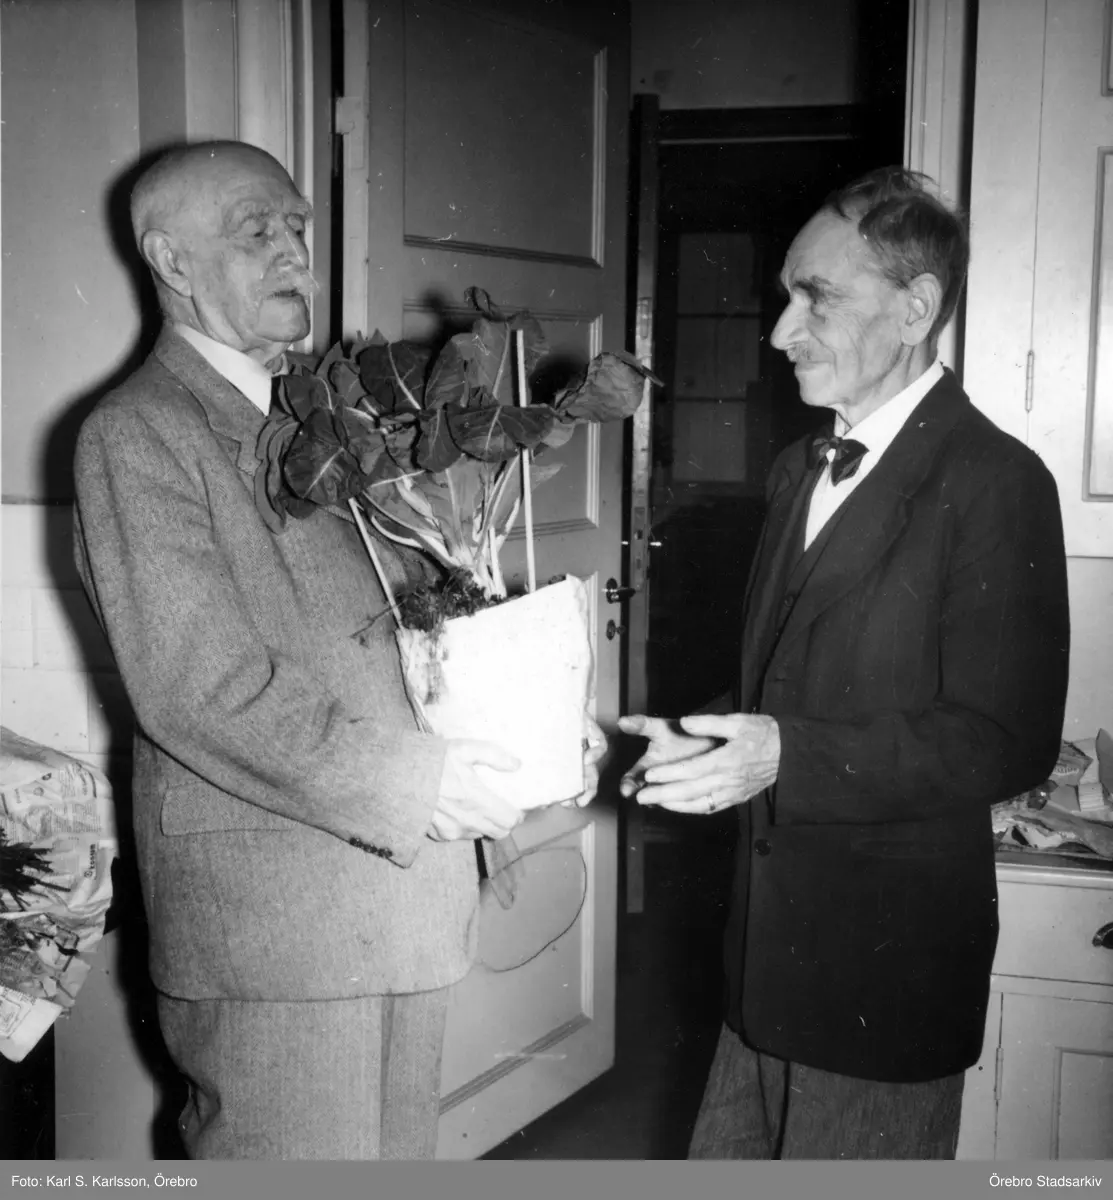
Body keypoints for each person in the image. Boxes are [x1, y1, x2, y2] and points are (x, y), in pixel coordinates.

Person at [73, 140, 601, 1160]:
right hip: (274, 933)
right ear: (171, 260)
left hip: (402, 905)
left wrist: (531, 728)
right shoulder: (137, 433)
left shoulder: (348, 414)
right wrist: (419, 786)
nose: (293, 252)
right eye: (255, 231)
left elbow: (427, 623)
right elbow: (200, 689)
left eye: (298, 227)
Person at [619, 167, 1070, 1160]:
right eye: (788, 296)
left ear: (915, 308)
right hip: (759, 958)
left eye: (815, 298)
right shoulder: (796, 469)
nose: (781, 331)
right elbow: (786, 680)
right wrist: (702, 737)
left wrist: (780, 756)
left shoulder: (997, 481)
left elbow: (1006, 740)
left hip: (885, 971)